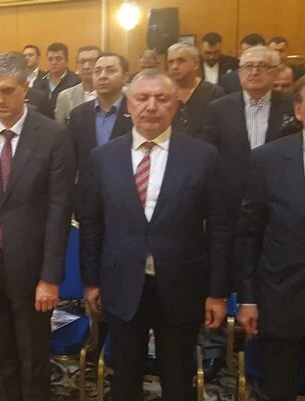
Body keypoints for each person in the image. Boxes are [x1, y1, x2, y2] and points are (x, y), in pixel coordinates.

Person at [78, 69, 230, 401]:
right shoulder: (103, 157)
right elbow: (91, 224)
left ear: (175, 105)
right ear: (128, 105)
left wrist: (217, 292)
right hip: (120, 283)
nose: (151, 106)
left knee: (178, 378)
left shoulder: (203, 156)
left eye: (161, 99)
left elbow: (220, 228)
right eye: (142, 98)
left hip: (182, 284)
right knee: (125, 376)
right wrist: (90, 281)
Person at [0, 52, 74, 400]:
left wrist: (50, 277)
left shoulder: (52, 135)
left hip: (32, 266)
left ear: (26, 88)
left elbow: (58, 211)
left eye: (7, 90)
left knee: (33, 356)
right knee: (0, 354)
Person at [202, 46, 294, 377]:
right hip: (228, 208)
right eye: (247, 66)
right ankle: (214, 348)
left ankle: (266, 341)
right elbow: (208, 157)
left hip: (276, 210)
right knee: (218, 275)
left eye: (262, 66)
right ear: (238, 71)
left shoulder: (290, 106)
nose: (254, 72)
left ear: (275, 72)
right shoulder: (219, 108)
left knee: (267, 277)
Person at [236, 76, 305, 401]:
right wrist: (248, 299)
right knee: (277, 390)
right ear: (299, 110)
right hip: (282, 300)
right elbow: (249, 235)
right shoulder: (268, 159)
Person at [68, 52, 132, 213]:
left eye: (110, 70)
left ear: (125, 76)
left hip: (128, 199)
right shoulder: (78, 115)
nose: (103, 76)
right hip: (87, 201)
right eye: (97, 71)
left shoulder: (136, 112)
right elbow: (70, 162)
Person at [167, 42, 225, 138]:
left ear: (196, 64)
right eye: (170, 62)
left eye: (181, 61)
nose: (174, 66)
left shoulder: (214, 93)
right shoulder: (164, 93)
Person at [54, 45, 101, 125]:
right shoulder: (65, 96)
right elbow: (59, 128)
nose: (86, 66)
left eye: (92, 61)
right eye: (82, 62)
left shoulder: (117, 94)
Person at [35, 42, 82, 119]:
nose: (54, 62)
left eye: (58, 59)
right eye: (50, 59)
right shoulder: (39, 80)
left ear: (67, 61)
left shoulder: (76, 82)